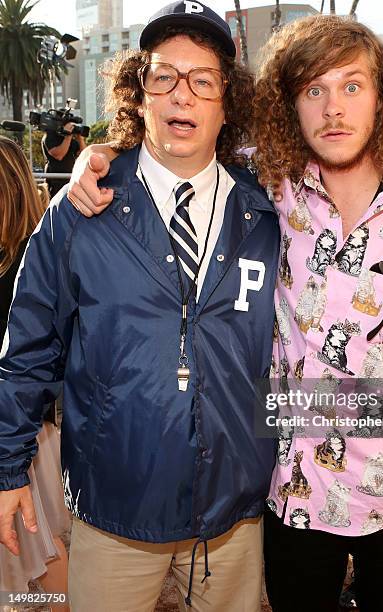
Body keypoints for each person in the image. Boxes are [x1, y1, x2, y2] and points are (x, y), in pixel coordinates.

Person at [66, 14, 383, 612]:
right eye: (313, 90)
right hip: (294, 486)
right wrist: (98, 156)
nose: (333, 109)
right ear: (290, 105)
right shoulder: (268, 185)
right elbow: (175, 143)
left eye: (352, 86)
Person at [0, 4, 279, 612]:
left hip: (234, 513)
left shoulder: (268, 215)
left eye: (203, 79)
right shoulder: (80, 211)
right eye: (164, 76)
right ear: (139, 92)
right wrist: (6, 467)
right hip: (116, 507)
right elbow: (26, 350)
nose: (183, 94)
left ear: (226, 100)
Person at [0, 136, 70, 612]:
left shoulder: (26, 260)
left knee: (37, 552)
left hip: (20, 426)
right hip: (32, 425)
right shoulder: (27, 250)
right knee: (36, 550)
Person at [42, 121, 86, 198]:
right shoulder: (50, 136)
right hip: (55, 180)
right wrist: (68, 136)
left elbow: (84, 155)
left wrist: (80, 139)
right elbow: (59, 155)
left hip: (70, 180)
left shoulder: (71, 140)